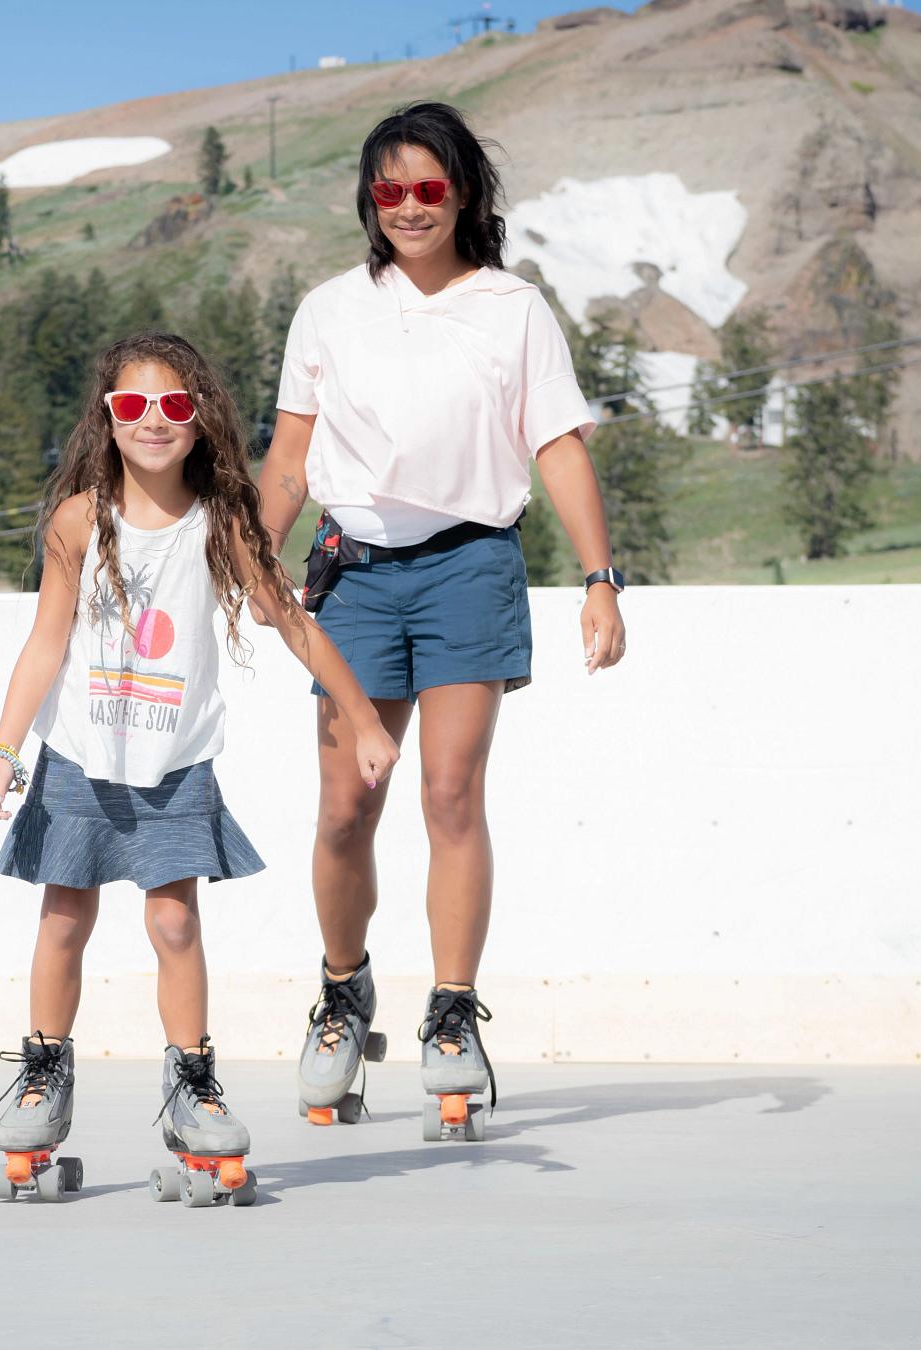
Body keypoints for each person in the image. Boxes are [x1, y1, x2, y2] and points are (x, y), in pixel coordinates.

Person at [255, 102, 629, 1133]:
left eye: (428, 188)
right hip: (356, 576)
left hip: (471, 565)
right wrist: (245, 554)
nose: (409, 207)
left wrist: (600, 577)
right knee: (344, 806)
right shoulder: (329, 309)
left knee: (451, 795)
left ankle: (453, 1015)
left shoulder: (513, 308)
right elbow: (290, 459)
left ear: (463, 193)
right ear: (369, 203)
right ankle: (342, 992)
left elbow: (556, 445)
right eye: (389, 191)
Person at [0, 331, 399, 1198]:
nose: (154, 422)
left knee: (174, 925)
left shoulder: (221, 524)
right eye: (133, 406)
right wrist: (2, 747)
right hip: (80, 759)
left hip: (175, 764)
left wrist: (361, 719)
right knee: (63, 920)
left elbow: (292, 620)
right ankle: (43, 1078)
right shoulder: (77, 521)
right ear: (107, 417)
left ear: (200, 418)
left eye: (174, 405)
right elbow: (44, 643)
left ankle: (190, 1085)